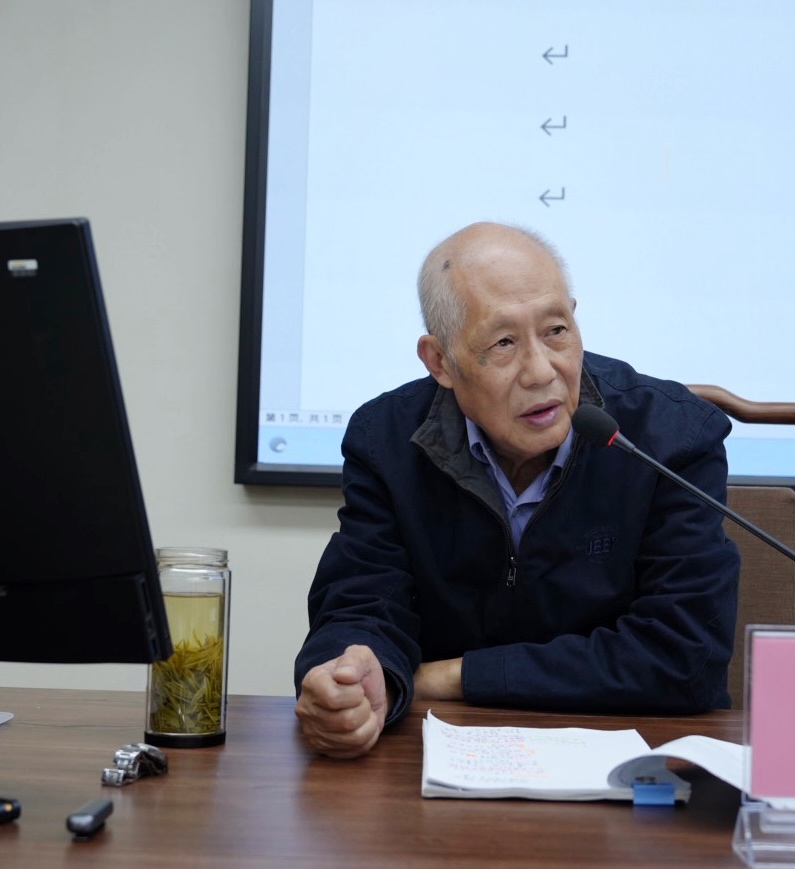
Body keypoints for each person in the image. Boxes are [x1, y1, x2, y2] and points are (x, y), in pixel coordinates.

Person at [294, 222, 739, 759]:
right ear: (440, 361)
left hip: (636, 760)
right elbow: (363, 604)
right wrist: (355, 675)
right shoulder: (385, 441)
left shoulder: (670, 438)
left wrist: (456, 675)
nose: (541, 371)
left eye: (556, 331)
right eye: (503, 342)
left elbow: (683, 657)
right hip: (437, 758)